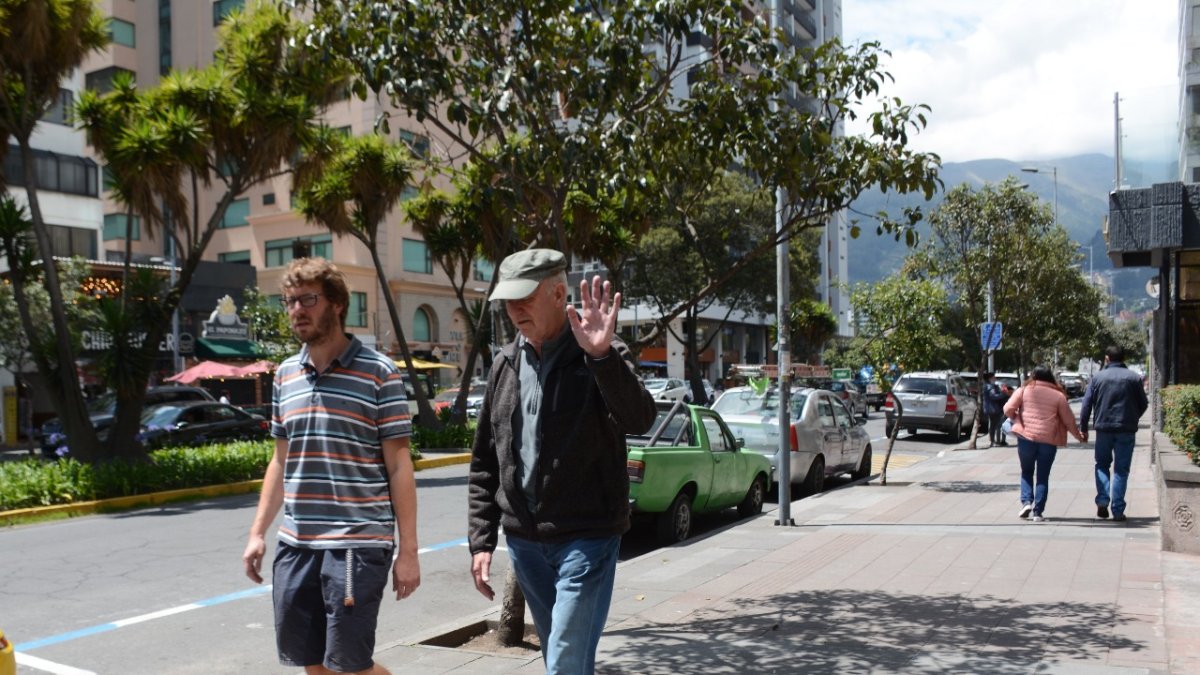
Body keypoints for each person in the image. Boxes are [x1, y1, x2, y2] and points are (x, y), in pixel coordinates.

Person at [468, 249, 657, 674]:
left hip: (586, 539)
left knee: (566, 660)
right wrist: (482, 540)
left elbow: (639, 418)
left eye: (524, 299)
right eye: (508, 301)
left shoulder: (599, 350)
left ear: (558, 294)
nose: (514, 311)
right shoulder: (505, 364)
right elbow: (485, 461)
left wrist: (603, 357)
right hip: (526, 545)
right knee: (561, 657)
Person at [242, 257, 419, 675]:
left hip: (357, 544)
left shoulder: (379, 373)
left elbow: (399, 466)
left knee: (351, 667)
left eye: (308, 299)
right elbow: (280, 461)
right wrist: (257, 533)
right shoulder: (285, 375)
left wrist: (408, 551)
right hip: (297, 543)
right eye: (289, 301)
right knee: (312, 664)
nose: (297, 310)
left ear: (336, 303)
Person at [1004, 365, 1085, 522]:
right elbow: (1068, 420)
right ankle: (1038, 512)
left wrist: (1017, 417)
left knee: (1026, 471)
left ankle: (1026, 502)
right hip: (1048, 440)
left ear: (1033, 375)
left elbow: (1008, 409)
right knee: (1043, 476)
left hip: (1026, 438)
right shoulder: (1058, 395)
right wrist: (1079, 436)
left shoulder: (1024, 390)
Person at [1079, 345, 1149, 522]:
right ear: (1123, 358)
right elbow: (1143, 404)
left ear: (1107, 358)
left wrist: (1084, 428)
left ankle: (1103, 500)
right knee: (1121, 470)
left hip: (1103, 429)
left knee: (1102, 464)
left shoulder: (1098, 378)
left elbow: (1086, 404)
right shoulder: (1134, 378)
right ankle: (1118, 510)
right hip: (1126, 429)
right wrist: (1132, 417)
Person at [982, 372, 1010, 447]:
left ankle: (994, 441)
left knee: (994, 425)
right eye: (994, 377)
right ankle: (994, 441)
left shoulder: (988, 386)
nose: (995, 379)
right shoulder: (989, 387)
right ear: (990, 378)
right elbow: (993, 396)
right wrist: (1003, 394)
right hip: (993, 408)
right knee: (995, 425)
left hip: (992, 408)